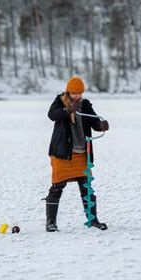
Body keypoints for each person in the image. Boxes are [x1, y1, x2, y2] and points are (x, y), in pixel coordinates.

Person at [45, 76, 109, 232]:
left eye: (79, 93)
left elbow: (94, 123)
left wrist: (101, 126)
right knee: (57, 187)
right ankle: (51, 223)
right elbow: (52, 115)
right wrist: (68, 110)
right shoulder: (60, 101)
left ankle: (93, 220)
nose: (77, 96)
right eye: (74, 93)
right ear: (68, 91)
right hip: (62, 153)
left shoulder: (85, 104)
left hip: (81, 154)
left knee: (87, 188)